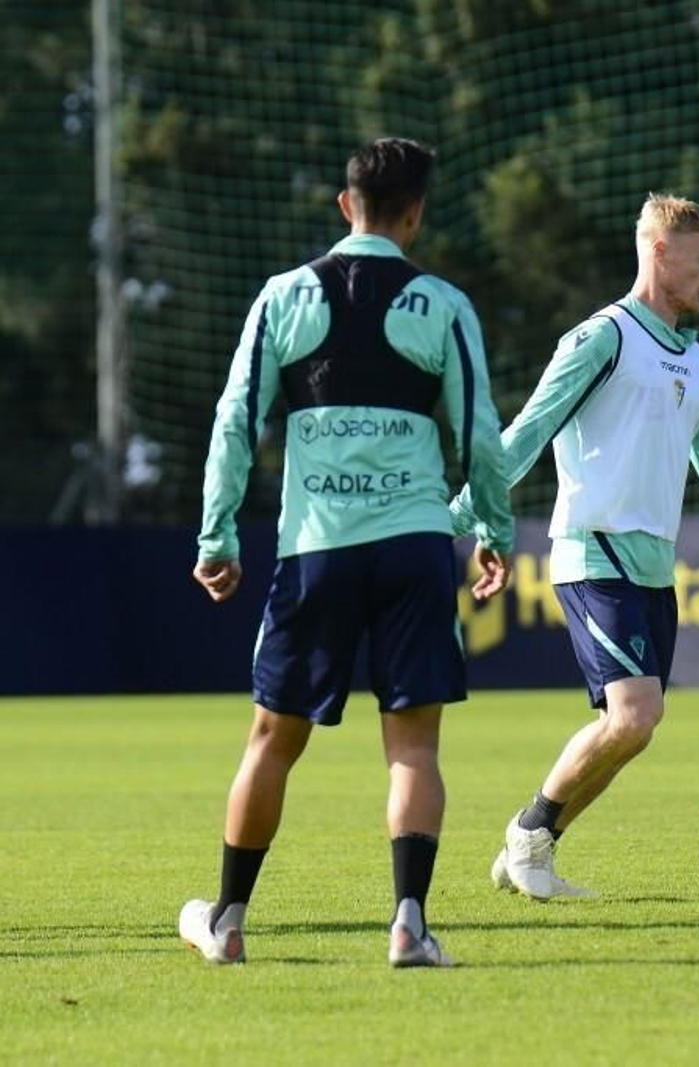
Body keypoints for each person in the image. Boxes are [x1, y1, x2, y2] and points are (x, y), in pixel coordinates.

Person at [450, 192, 699, 900]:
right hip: (591, 549)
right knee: (635, 715)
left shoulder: (697, 365)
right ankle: (529, 835)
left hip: (653, 569)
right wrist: (456, 520)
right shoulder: (601, 338)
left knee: (631, 728)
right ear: (658, 251)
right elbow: (524, 436)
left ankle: (532, 845)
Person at [181, 138, 516, 968]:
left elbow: (234, 420)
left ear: (345, 205)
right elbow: (479, 434)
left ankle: (227, 920)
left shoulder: (283, 295)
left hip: (316, 552)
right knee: (413, 744)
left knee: (271, 740)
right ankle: (409, 922)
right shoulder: (443, 304)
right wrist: (495, 534)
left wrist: (217, 533)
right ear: (416, 214)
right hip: (413, 548)